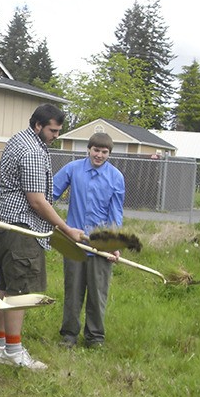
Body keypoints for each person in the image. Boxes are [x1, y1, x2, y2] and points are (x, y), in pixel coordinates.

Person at [0, 103, 85, 370]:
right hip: (19, 230)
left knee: (4, 288)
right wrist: (66, 230)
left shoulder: (18, 140)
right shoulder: (31, 151)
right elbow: (37, 201)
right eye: (52, 130)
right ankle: (13, 351)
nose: (55, 135)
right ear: (38, 125)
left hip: (1, 224)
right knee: (19, 294)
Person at [53, 132, 125, 348]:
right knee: (73, 291)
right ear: (89, 149)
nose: (99, 155)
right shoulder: (73, 169)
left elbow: (116, 214)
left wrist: (114, 244)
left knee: (97, 292)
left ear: (109, 154)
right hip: (74, 242)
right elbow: (50, 195)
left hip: (100, 245)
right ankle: (69, 334)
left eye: (104, 152)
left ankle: (95, 337)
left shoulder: (116, 177)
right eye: (96, 150)